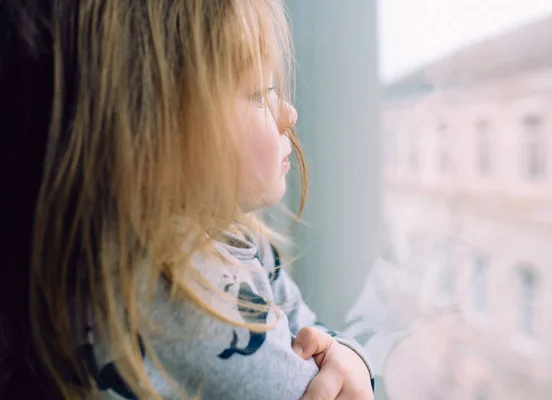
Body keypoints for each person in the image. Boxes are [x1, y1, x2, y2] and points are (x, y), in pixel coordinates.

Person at [0, 0, 374, 399]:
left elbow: (307, 330)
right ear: (149, 133)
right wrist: (351, 365)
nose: (289, 114)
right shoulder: (182, 292)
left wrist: (346, 353)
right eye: (258, 94)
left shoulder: (232, 235)